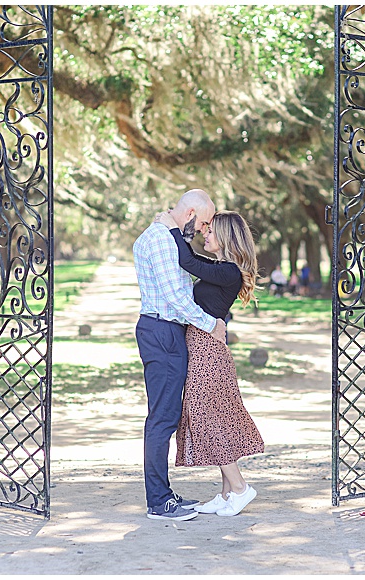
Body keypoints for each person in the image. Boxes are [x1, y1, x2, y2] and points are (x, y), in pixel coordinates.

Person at [156, 209, 264, 517]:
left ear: (227, 236)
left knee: (208, 419)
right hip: (202, 348)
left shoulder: (229, 271)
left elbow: (186, 261)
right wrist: (183, 232)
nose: (206, 233)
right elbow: (190, 259)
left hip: (208, 353)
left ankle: (241, 488)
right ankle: (227, 494)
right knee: (213, 417)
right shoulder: (219, 267)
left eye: (211, 230)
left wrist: (171, 228)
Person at [133, 189, 228, 522]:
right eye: (203, 222)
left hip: (165, 332)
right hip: (162, 332)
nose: (204, 230)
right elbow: (176, 298)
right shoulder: (161, 239)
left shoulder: (165, 236)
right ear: (190, 213)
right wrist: (211, 325)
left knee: (166, 416)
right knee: (162, 419)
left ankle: (163, 494)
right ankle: (158, 502)